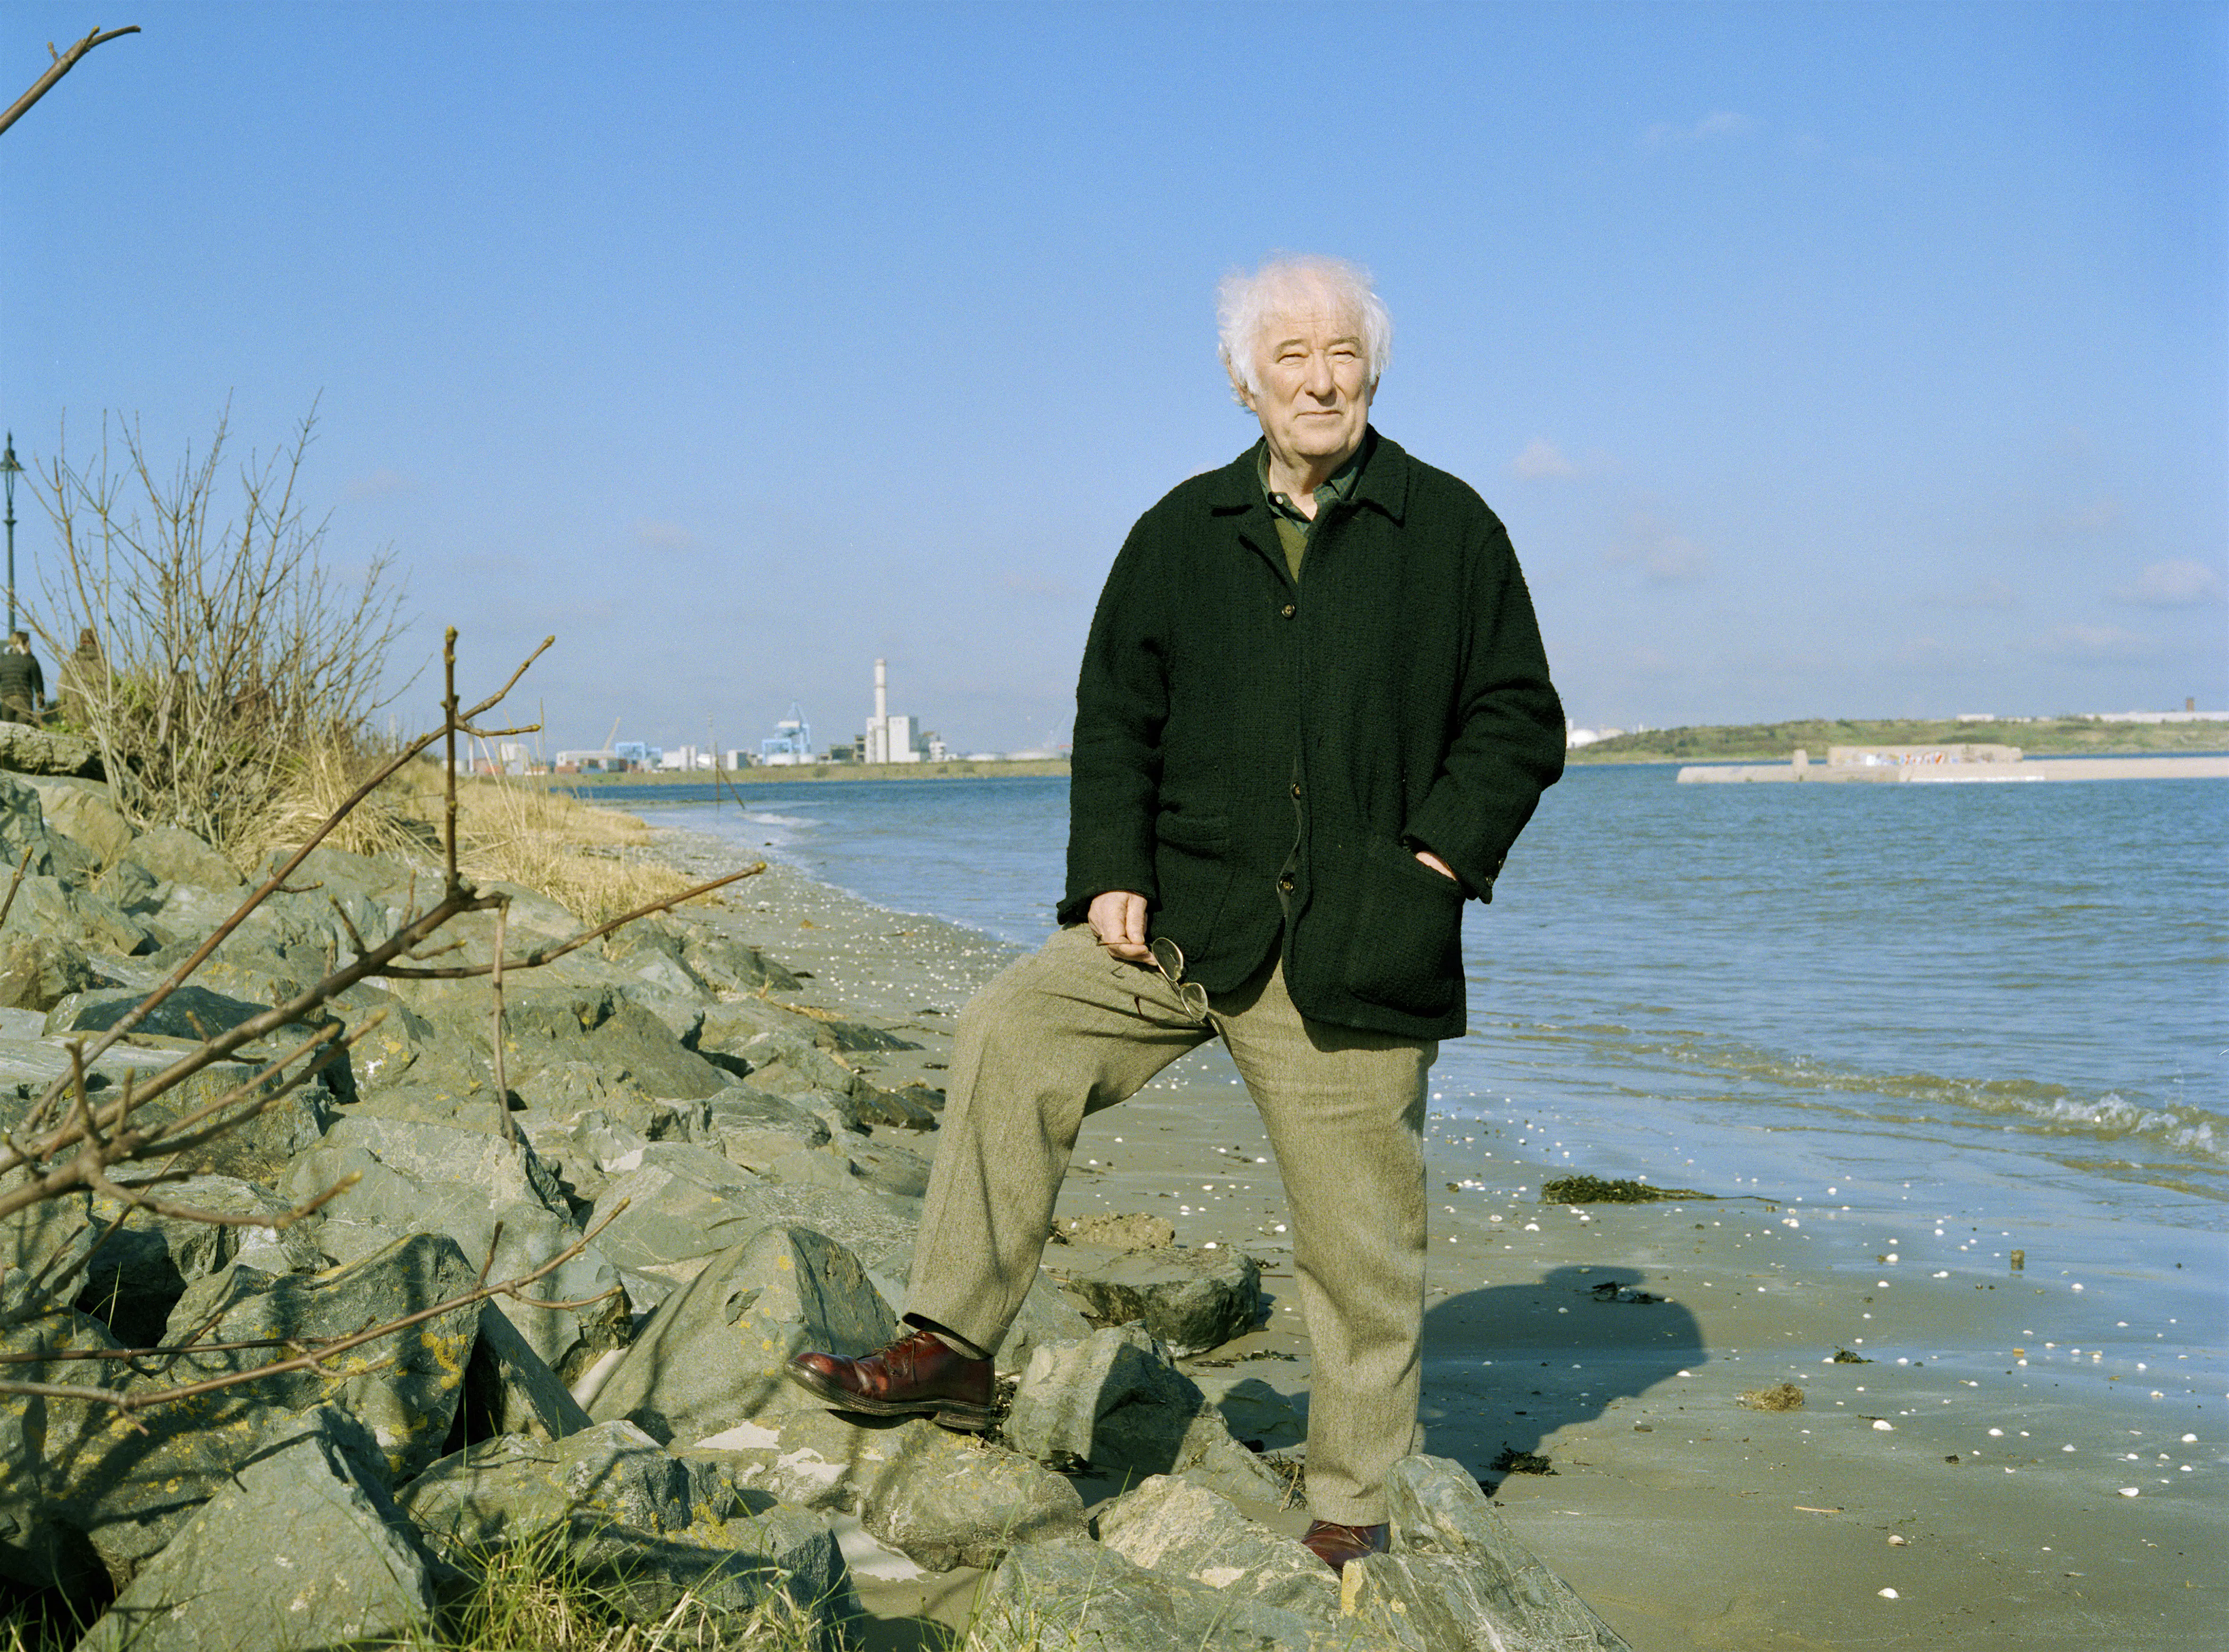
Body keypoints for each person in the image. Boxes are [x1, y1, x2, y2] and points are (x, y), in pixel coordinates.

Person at [787, 255, 1565, 1571]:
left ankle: (1352, 1501)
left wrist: (1430, 866)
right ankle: (953, 1349)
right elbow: (1116, 717)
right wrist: (1109, 869)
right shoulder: (1176, 530)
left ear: (1373, 369)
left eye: (1341, 354)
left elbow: (1516, 717)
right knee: (1007, 1029)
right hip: (1181, 927)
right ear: (1243, 378)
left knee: (1358, 1240)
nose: (1319, 378)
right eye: (1291, 356)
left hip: (1359, 944)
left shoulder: (1451, 528)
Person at [0, 632, 45, 725]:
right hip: (24, 701)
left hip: (7, 701)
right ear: (26, 643)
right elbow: (38, 684)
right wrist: (41, 703)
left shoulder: (3, 660)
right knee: (24, 734)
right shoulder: (30, 660)